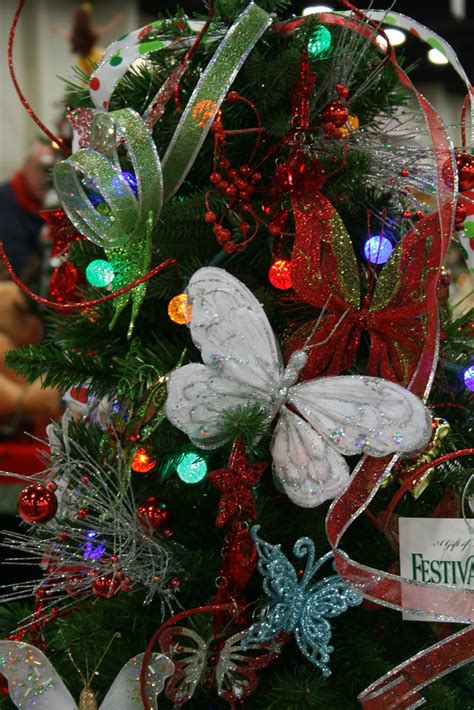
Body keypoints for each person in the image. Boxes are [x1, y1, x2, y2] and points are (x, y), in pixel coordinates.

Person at [0, 142, 55, 281]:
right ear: (26, 166)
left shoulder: (49, 206)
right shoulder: (6, 202)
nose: (45, 179)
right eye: (40, 170)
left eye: (51, 172)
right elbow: (15, 263)